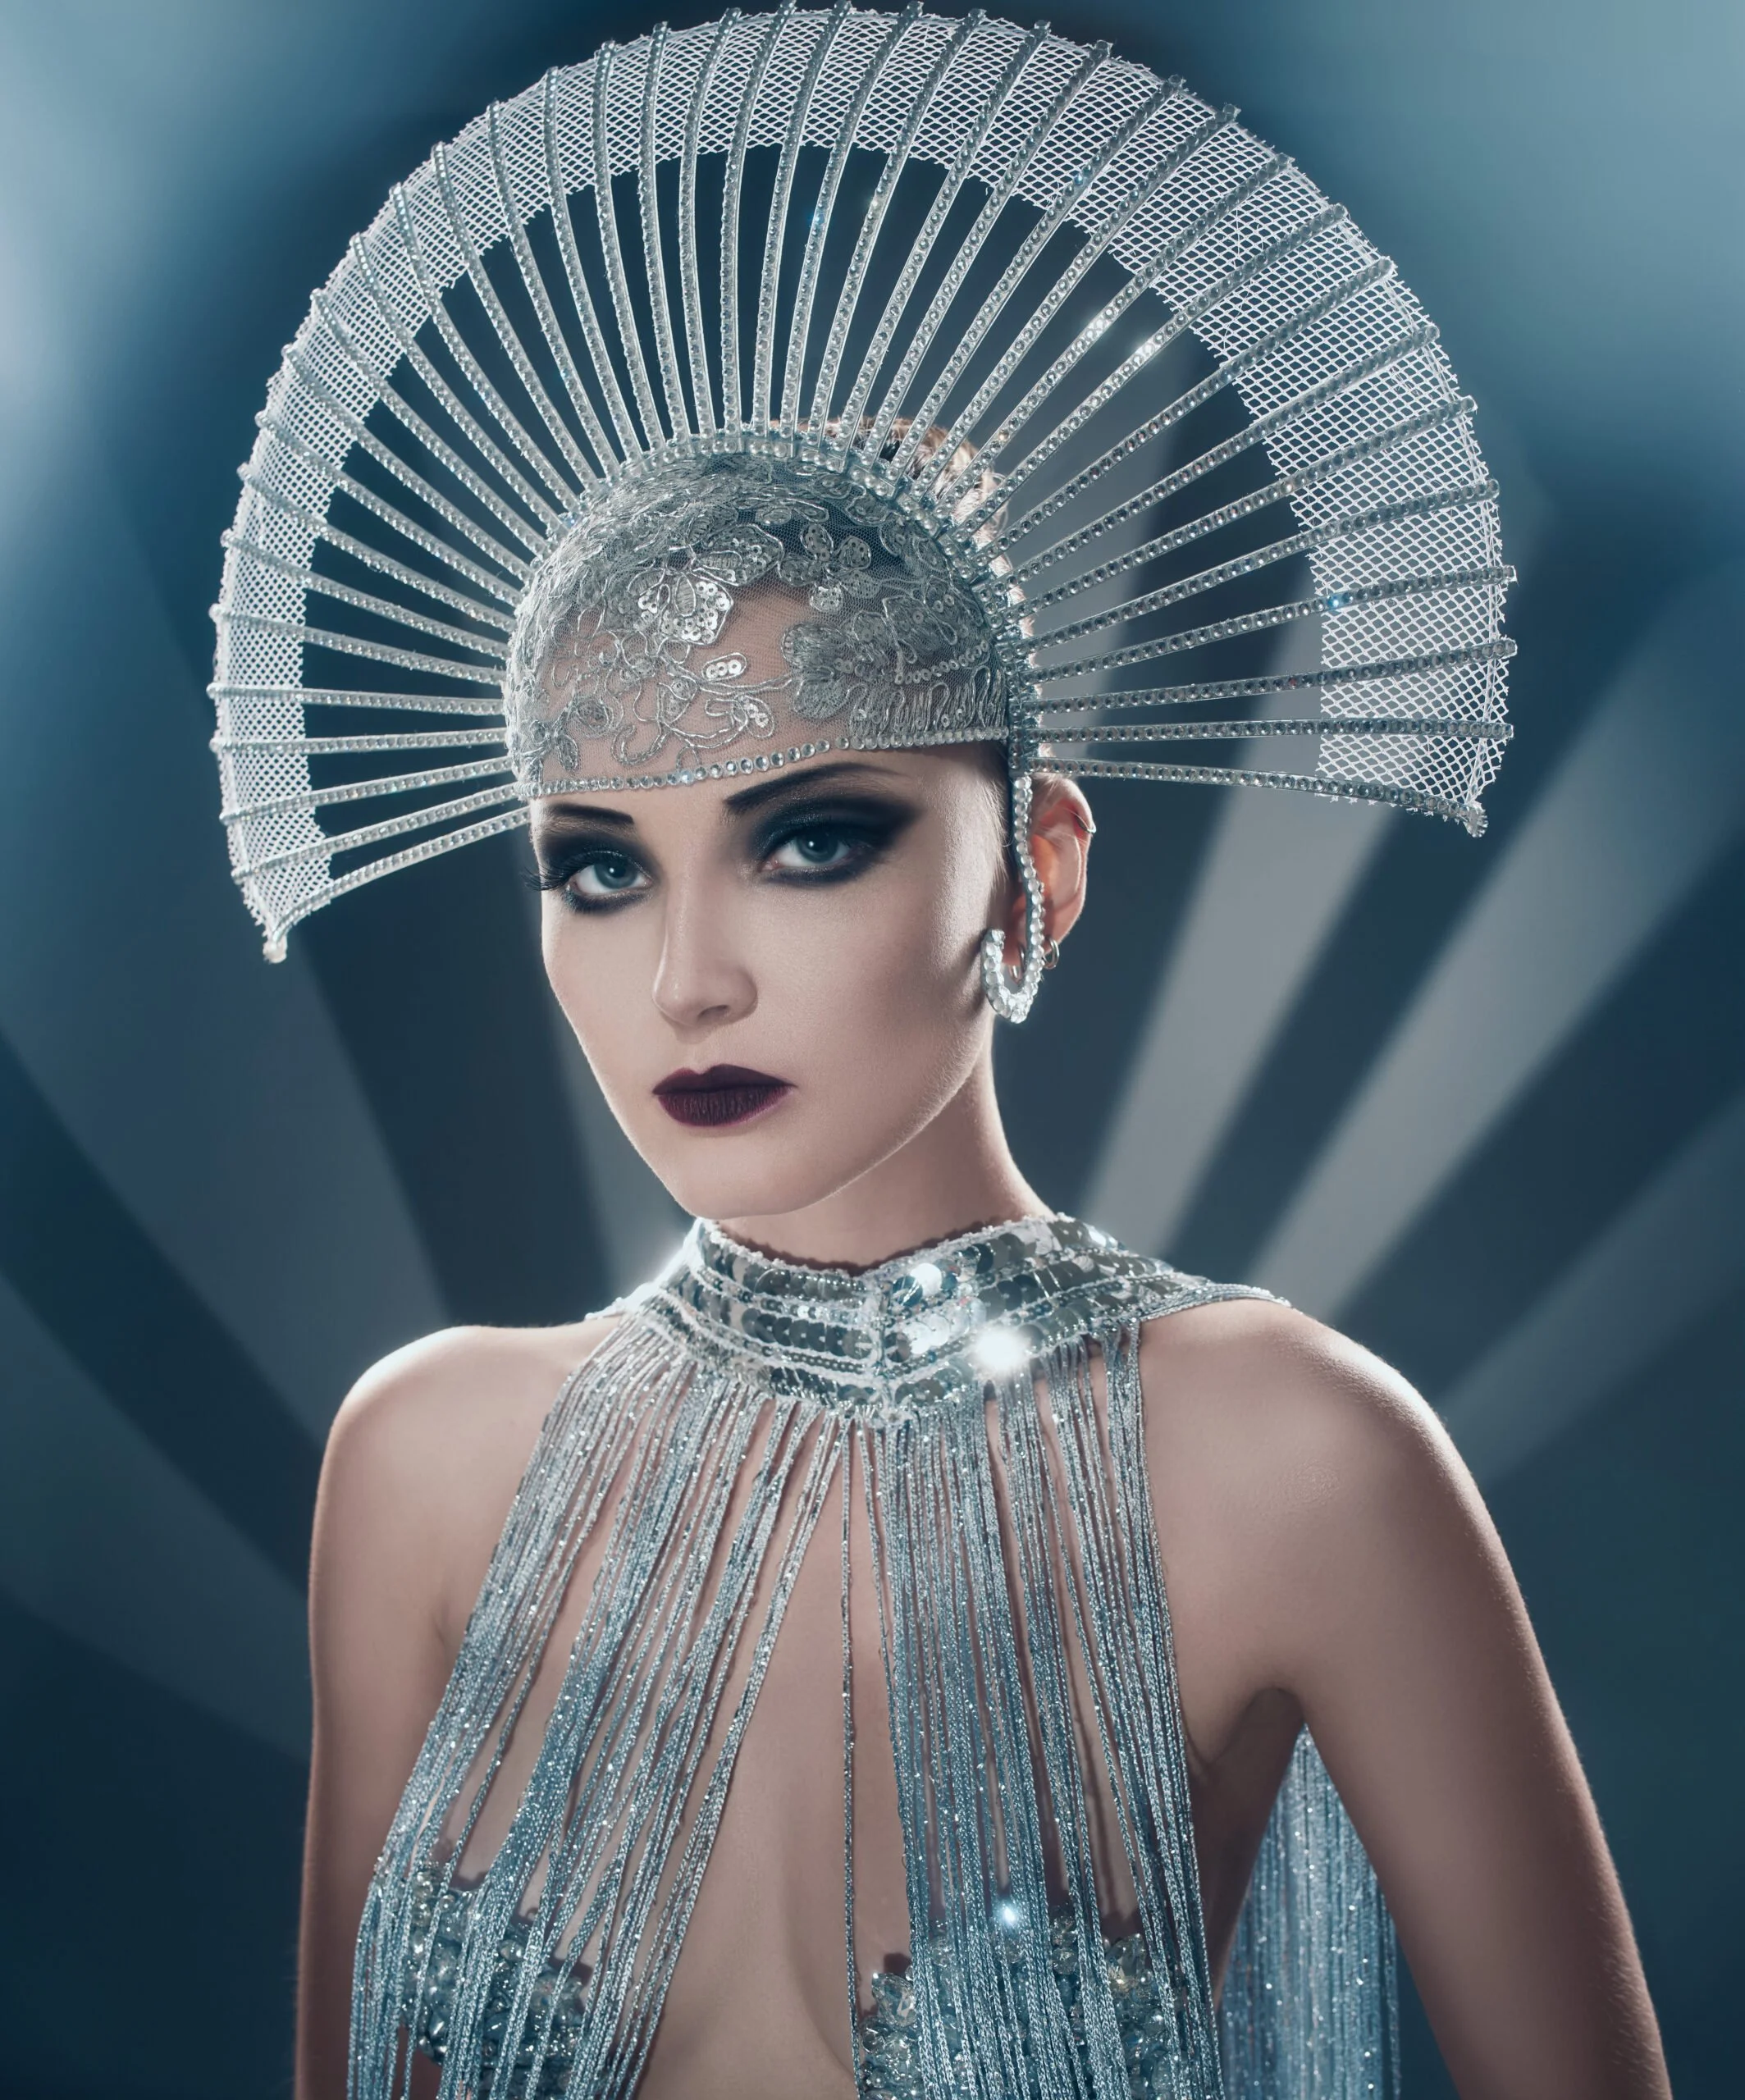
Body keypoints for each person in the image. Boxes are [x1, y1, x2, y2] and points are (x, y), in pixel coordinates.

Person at [208, 12, 1670, 2098]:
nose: (686, 977)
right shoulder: (426, 1462)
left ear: (1035, 864)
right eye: (599, 866)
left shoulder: (1289, 1454)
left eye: (812, 836)